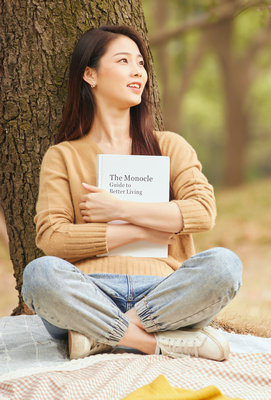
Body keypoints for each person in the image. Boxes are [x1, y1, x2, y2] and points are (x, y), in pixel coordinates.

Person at [21, 25, 242, 361]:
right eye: (123, 61)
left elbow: (202, 212)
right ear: (90, 75)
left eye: (140, 63)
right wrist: (146, 229)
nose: (138, 71)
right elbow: (52, 238)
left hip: (166, 293)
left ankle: (104, 334)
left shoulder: (170, 146)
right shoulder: (62, 156)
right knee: (39, 276)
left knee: (225, 265)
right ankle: (156, 343)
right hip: (90, 292)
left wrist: (119, 208)